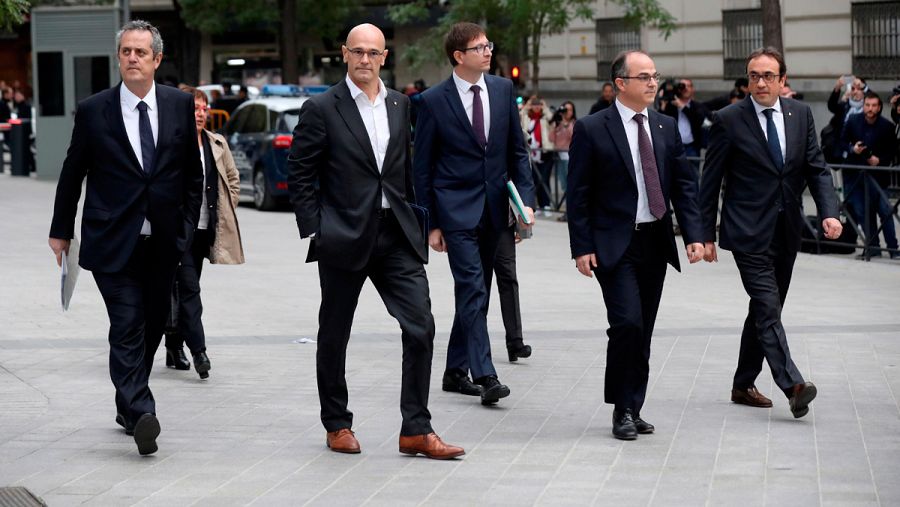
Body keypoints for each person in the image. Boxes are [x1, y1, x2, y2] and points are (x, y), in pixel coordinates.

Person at [287, 23, 464, 460]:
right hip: (343, 235)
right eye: (358, 52)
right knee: (335, 333)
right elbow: (300, 172)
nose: (365, 59)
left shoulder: (402, 105)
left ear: (385, 57)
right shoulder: (322, 107)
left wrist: (424, 221)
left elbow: (405, 171)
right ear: (345, 54)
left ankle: (416, 430)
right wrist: (317, 228)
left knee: (421, 325)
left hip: (396, 234)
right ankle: (337, 423)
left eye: (373, 53)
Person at [48, 20, 203, 455]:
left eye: (140, 52)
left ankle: (125, 402)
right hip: (111, 238)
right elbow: (72, 172)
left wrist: (187, 229)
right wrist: (61, 230)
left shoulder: (177, 105)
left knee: (153, 324)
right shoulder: (94, 109)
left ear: (157, 60)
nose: (132, 58)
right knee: (127, 323)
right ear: (119, 58)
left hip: (164, 242)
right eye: (126, 52)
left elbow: (193, 175)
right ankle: (141, 411)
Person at [566, 50, 704, 440]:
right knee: (626, 323)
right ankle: (621, 408)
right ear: (620, 84)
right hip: (614, 244)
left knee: (642, 329)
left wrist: (694, 236)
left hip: (655, 242)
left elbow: (684, 185)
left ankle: (634, 405)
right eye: (642, 76)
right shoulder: (593, 128)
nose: (651, 83)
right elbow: (578, 193)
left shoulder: (664, 126)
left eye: (654, 76)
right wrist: (581, 246)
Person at [699, 47, 842, 419]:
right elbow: (709, 182)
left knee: (765, 309)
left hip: (787, 230)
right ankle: (793, 385)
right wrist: (703, 235)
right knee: (767, 306)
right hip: (747, 231)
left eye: (767, 76)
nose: (760, 82)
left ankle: (743, 383)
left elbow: (817, 168)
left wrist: (829, 212)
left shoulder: (800, 115)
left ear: (782, 80)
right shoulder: (728, 119)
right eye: (753, 76)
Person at [414, 22, 536, 407]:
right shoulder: (433, 100)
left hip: (496, 209)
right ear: (459, 56)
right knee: (472, 288)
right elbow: (423, 168)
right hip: (455, 213)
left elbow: (517, 151)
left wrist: (525, 203)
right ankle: (485, 374)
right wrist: (431, 222)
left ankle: (453, 371)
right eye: (479, 47)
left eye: (489, 45)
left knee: (476, 295)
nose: (488, 52)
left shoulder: (502, 90)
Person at [164, 87, 245, 379]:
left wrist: (226, 207)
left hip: (203, 230)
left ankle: (173, 346)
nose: (199, 114)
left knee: (184, 288)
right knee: (189, 289)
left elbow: (232, 179)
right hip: (175, 231)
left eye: (203, 109)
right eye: (194, 108)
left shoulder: (216, 143)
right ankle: (199, 350)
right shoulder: (170, 142)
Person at [840, 91, 898, 258]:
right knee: (863, 213)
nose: (870, 109)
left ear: (879, 107)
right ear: (863, 106)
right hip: (856, 176)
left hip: (879, 178)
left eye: (873, 106)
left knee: (885, 212)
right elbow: (842, 142)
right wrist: (854, 149)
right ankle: (873, 247)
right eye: (867, 105)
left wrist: (879, 160)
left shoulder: (887, 126)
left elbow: (893, 151)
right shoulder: (852, 121)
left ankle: (893, 248)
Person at [521, 96, 555, 213]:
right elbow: (520, 116)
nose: (536, 107)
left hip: (545, 152)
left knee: (544, 179)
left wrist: (545, 107)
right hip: (531, 153)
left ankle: (546, 204)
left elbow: (552, 119)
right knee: (534, 180)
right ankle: (537, 205)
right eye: (534, 105)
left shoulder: (545, 118)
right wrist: (527, 105)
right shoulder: (526, 118)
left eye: (538, 105)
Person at [661, 78, 710, 159]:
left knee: (693, 171)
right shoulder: (671, 106)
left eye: (688, 86)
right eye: (682, 86)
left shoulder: (697, 106)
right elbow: (661, 121)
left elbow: (699, 120)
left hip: (692, 147)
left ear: (692, 89)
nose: (685, 88)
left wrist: (683, 107)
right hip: (674, 147)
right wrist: (663, 105)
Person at [549, 100, 575, 222]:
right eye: (565, 109)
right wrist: (556, 125)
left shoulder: (574, 123)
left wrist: (566, 125)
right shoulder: (559, 123)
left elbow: (572, 137)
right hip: (559, 157)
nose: (567, 112)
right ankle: (567, 211)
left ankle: (570, 212)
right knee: (564, 186)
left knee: (570, 186)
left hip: (569, 157)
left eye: (569, 110)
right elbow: (551, 138)